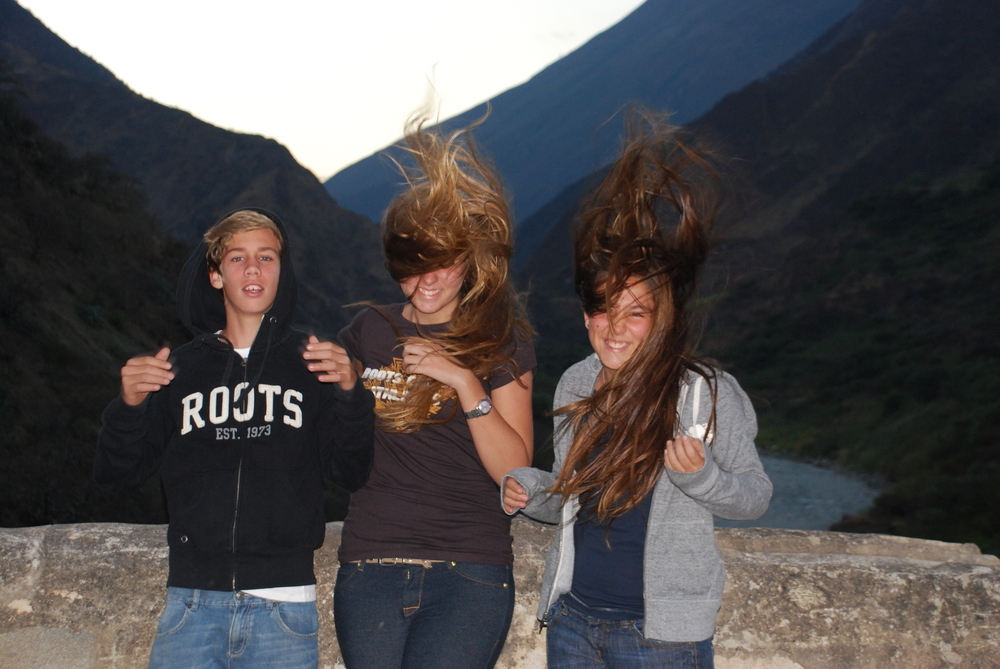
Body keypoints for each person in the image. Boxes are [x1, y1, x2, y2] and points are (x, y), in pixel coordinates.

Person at [502, 114, 773, 669]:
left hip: (662, 637)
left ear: (663, 319)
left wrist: (702, 477)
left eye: (636, 313)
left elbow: (754, 496)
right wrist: (530, 489)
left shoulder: (706, 393)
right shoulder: (578, 382)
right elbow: (573, 496)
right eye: (603, 309)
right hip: (573, 623)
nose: (615, 327)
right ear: (585, 317)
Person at [94, 208, 375, 668]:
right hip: (190, 604)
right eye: (237, 257)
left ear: (281, 272)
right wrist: (128, 406)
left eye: (266, 257)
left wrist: (349, 394)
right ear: (215, 274)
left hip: (285, 607)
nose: (252, 269)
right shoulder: (178, 370)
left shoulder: (315, 365)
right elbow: (115, 476)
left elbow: (352, 471)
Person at [304, 120, 535, 668]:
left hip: (470, 568)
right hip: (370, 565)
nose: (427, 282)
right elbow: (336, 446)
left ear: (467, 261)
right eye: (413, 269)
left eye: (444, 265)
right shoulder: (369, 331)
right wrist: (339, 387)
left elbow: (516, 469)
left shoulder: (503, 338)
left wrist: (463, 379)